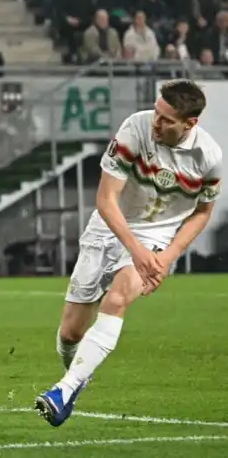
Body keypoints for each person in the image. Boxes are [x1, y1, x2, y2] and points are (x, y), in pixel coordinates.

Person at [35, 79, 222, 427]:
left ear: (190, 123)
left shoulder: (208, 157)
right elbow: (106, 199)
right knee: (71, 333)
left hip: (156, 237)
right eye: (156, 112)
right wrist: (134, 250)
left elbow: (202, 212)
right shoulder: (135, 127)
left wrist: (167, 256)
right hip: (108, 226)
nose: (156, 122)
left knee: (118, 298)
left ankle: (63, 390)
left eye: (166, 119)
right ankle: (76, 379)